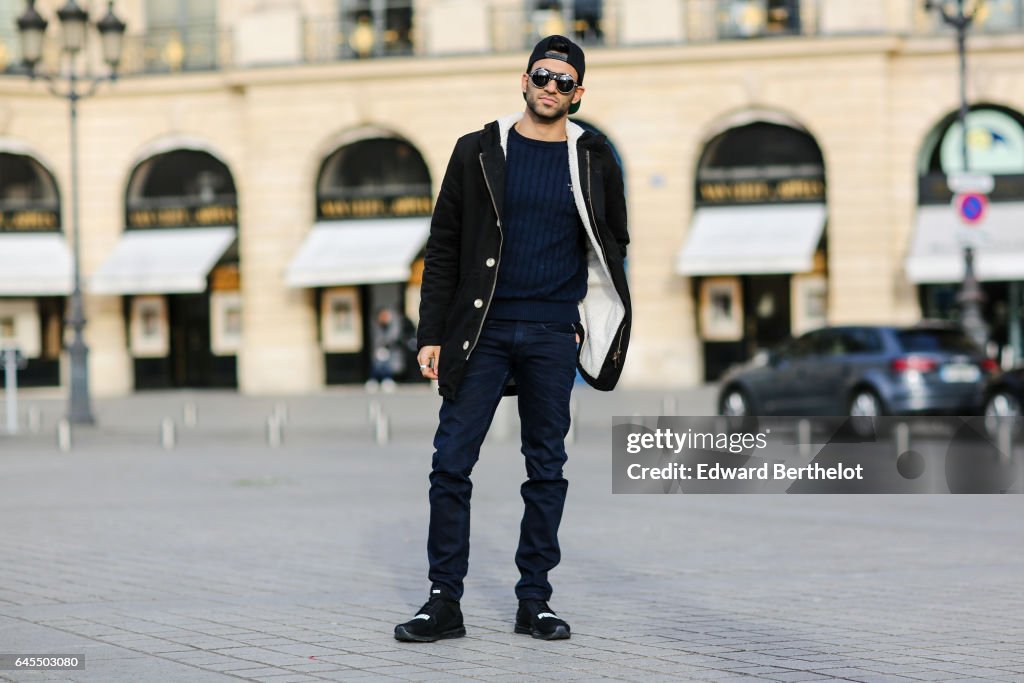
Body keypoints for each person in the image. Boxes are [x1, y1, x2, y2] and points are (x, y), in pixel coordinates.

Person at [394, 34, 631, 643]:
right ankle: (443, 601)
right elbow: (443, 245)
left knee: (546, 468)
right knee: (451, 462)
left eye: (563, 81)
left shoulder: (593, 155)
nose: (550, 87)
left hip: (553, 333)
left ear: (578, 93)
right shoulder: (478, 150)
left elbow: (613, 240)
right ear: (523, 80)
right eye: (541, 75)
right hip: (482, 330)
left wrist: (590, 318)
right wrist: (431, 334)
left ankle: (535, 601)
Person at [366, 306, 406, 392]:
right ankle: (373, 380)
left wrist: (387, 343)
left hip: (390, 349)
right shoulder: (376, 325)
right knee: (377, 365)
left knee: (388, 365)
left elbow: (394, 336)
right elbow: (375, 337)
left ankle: (387, 379)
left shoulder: (393, 325)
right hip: (379, 349)